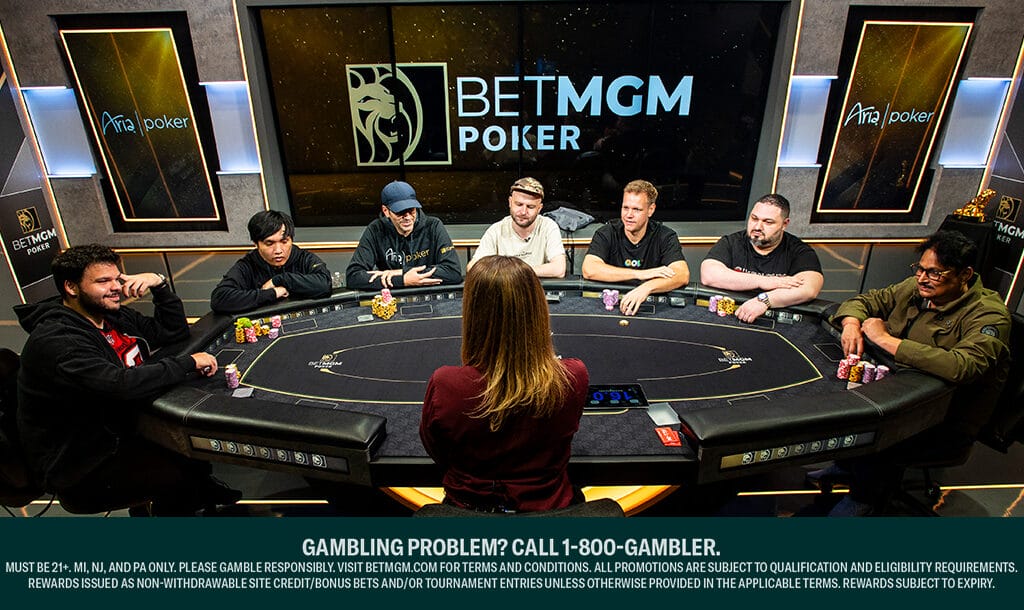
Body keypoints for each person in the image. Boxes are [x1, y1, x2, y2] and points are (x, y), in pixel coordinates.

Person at [15, 244, 240, 515]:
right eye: (103, 281)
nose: (116, 287)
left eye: (117, 279)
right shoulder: (58, 340)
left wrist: (159, 285)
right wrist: (187, 363)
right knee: (180, 471)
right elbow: (119, 384)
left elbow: (172, 332)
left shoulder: (111, 315)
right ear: (72, 288)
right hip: (82, 462)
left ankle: (197, 492)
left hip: (119, 430)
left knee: (191, 453)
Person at [820, 230, 1011, 516]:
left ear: (965, 274)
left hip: (942, 419)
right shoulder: (915, 287)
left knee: (878, 437)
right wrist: (850, 323)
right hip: (896, 391)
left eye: (935, 273)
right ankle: (848, 467)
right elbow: (866, 301)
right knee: (841, 406)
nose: (922, 278)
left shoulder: (989, 314)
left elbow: (963, 366)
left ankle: (864, 498)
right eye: (920, 269)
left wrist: (885, 340)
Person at [420, 255, 589, 512]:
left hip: (466, 511)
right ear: (537, 309)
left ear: (473, 314)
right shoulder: (573, 376)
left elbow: (437, 450)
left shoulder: (446, 384)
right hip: (551, 509)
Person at [700, 194, 823, 322]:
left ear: (784, 224)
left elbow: (809, 288)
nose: (758, 227)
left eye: (768, 222)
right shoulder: (731, 242)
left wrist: (764, 301)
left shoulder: (799, 251)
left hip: (775, 322)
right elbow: (709, 274)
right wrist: (763, 281)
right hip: (730, 317)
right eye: (754, 219)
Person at [581, 179, 689, 315]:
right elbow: (589, 269)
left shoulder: (665, 236)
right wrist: (641, 274)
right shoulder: (607, 232)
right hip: (610, 306)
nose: (629, 215)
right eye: (625, 208)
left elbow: (682, 274)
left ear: (651, 210)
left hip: (651, 307)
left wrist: (646, 287)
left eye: (636, 209)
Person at [345, 181, 463, 290]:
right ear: (386, 211)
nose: (407, 217)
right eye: (400, 212)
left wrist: (400, 273)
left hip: (428, 294)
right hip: (392, 298)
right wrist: (402, 280)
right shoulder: (376, 230)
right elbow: (353, 276)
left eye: (411, 210)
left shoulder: (433, 226)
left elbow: (453, 272)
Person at [210, 210, 331, 313]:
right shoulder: (247, 265)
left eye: (284, 242)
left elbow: (324, 285)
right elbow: (220, 299)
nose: (278, 250)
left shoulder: (304, 257)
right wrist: (273, 293)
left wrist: (281, 280)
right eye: (269, 243)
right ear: (256, 244)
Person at [467, 177, 566, 278]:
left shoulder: (548, 226)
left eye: (530, 207)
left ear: (539, 208)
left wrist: (514, 273)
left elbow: (559, 269)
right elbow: (472, 267)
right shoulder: (496, 230)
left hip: (537, 290)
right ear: (510, 202)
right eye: (519, 204)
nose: (523, 212)